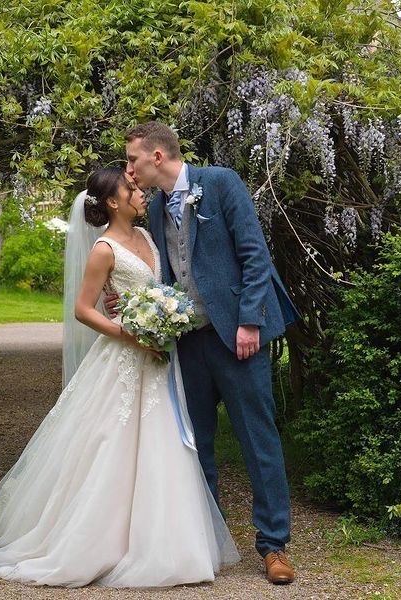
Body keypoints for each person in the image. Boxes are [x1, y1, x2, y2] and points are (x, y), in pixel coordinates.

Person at [0, 167, 239, 588]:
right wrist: (129, 332)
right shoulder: (104, 249)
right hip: (124, 354)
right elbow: (83, 310)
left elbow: (160, 289)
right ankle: (98, 540)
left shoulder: (148, 237)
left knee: (164, 441)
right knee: (109, 443)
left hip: (159, 356)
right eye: (131, 189)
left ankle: (168, 542)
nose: (140, 193)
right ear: (112, 202)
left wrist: (162, 317)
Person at [121, 121, 299, 584]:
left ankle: (274, 545)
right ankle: (208, 540)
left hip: (238, 338)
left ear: (157, 156)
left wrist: (249, 321)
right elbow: (164, 271)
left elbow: (255, 256)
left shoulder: (220, 183)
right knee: (194, 443)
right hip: (189, 340)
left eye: (133, 159)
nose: (130, 170)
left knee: (257, 438)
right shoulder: (156, 209)